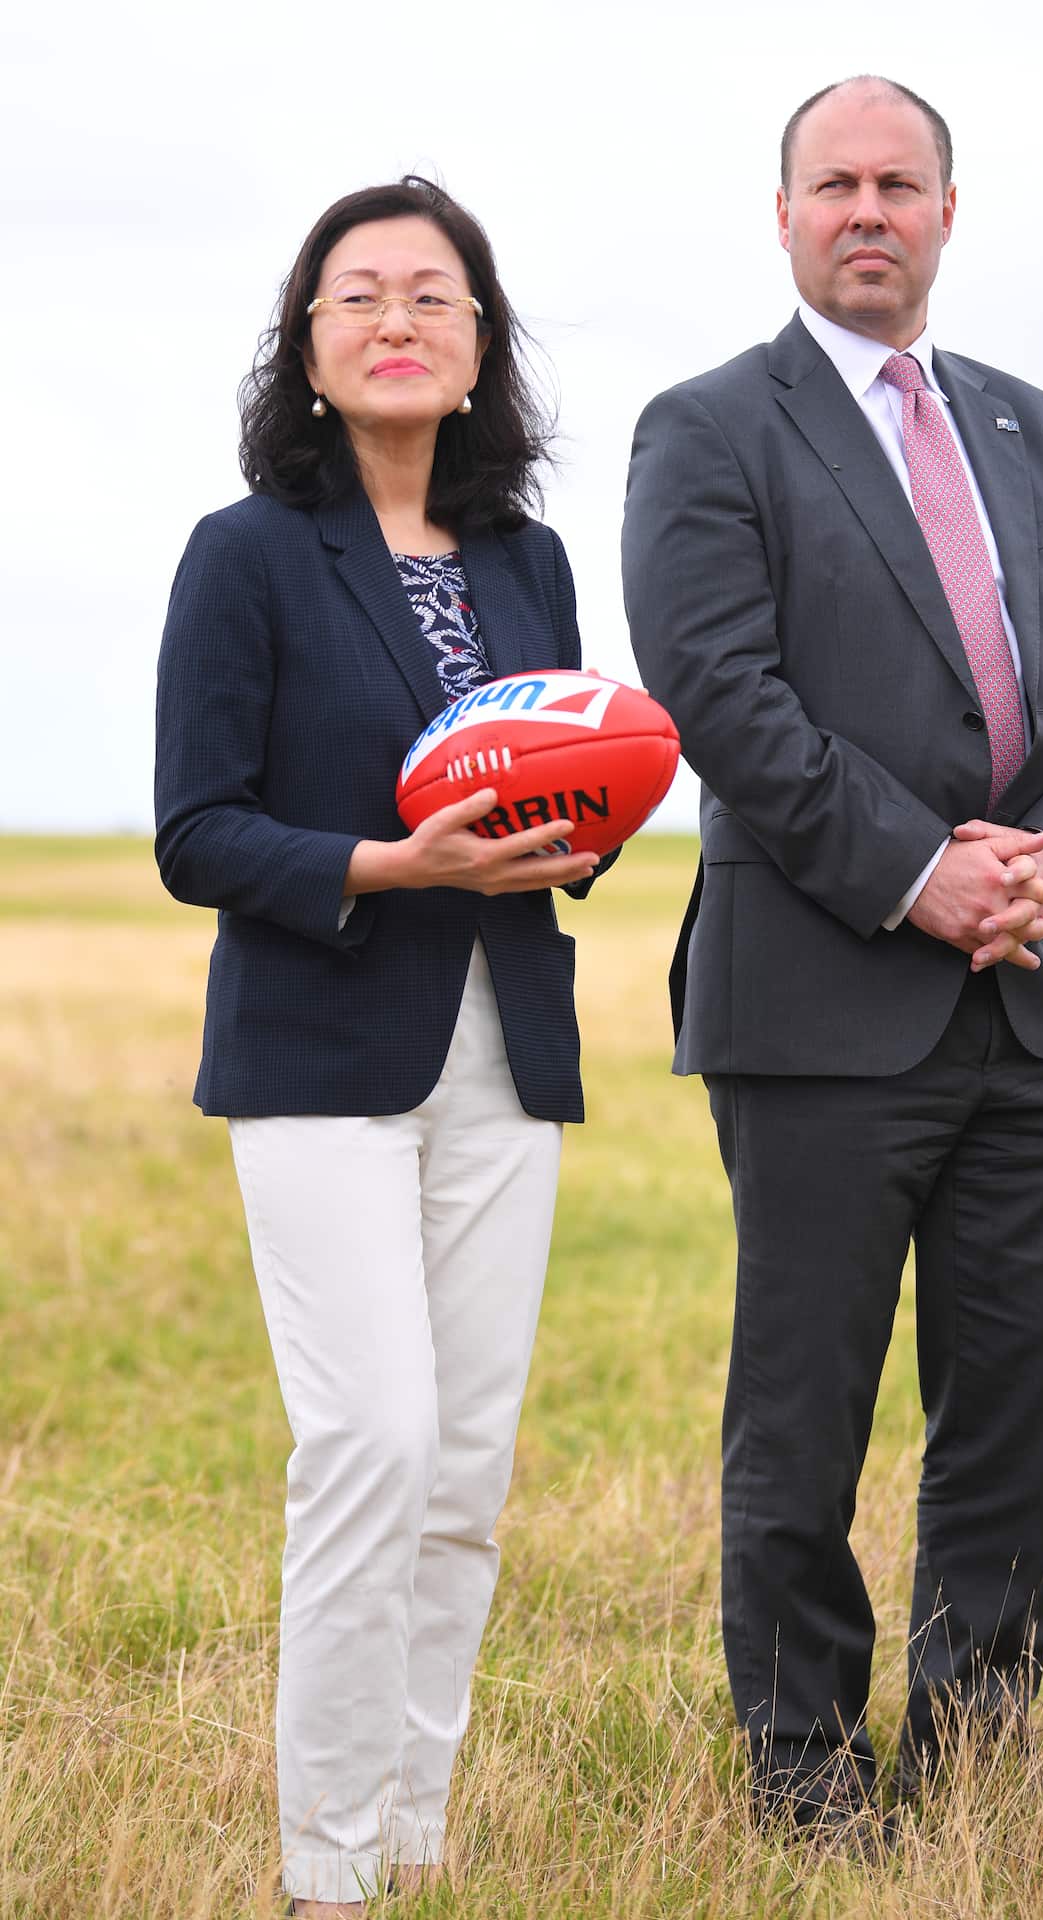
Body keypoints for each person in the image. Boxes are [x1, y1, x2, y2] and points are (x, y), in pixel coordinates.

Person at [622, 77, 1043, 1836]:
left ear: (946, 213)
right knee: (806, 1417)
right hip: (821, 1002)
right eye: (834, 183)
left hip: (1033, 1001)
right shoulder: (708, 429)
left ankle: (977, 1753)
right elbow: (728, 702)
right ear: (782, 216)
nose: (869, 208)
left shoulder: (1041, 428)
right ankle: (804, 1770)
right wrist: (920, 873)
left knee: (1019, 1407)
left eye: (899, 183)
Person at [155, 177, 606, 1916]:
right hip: (322, 1044)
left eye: (435, 293)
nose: (397, 318)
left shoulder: (528, 562)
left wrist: (583, 827)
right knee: (374, 1448)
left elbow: (559, 779)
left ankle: (414, 1831)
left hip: (509, 1046)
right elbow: (198, 830)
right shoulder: (247, 551)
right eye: (359, 296)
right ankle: (326, 1869)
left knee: (468, 1469)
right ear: (311, 347)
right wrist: (382, 865)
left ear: (482, 347)